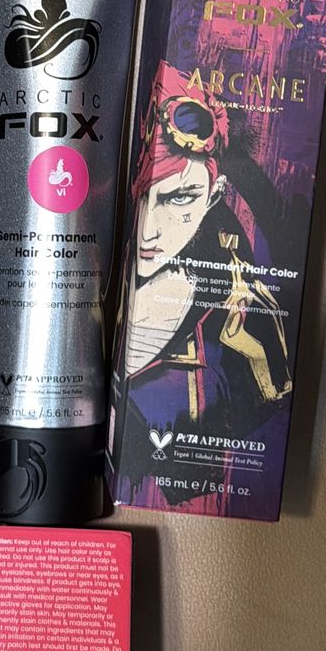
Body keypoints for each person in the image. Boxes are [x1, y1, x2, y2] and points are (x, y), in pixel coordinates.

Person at [115, 63, 291, 507]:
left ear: (214, 195)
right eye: (141, 197)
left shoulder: (241, 317)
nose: (152, 230)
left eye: (180, 198)